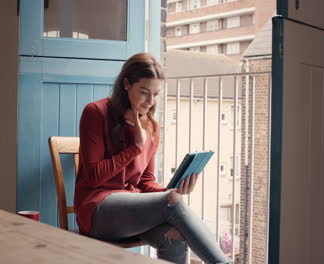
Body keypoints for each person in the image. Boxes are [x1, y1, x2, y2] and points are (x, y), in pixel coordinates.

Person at [74, 53, 232, 264]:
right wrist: (134, 148)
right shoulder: (95, 113)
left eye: (156, 94)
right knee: (172, 202)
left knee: (175, 236)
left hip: (131, 214)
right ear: (126, 84)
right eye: (144, 92)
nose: (150, 101)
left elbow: (145, 182)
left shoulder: (151, 126)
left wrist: (170, 191)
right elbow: (94, 178)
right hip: (97, 212)